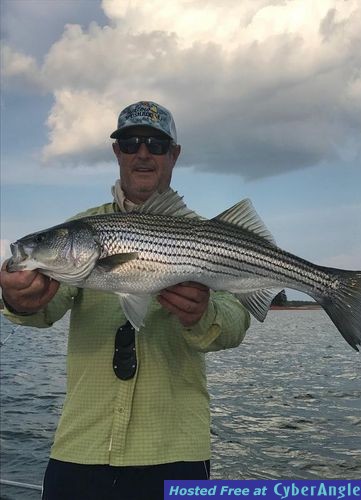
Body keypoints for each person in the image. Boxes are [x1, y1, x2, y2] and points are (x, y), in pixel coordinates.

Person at [0, 101, 250, 500]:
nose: (143, 153)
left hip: (175, 448)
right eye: (131, 142)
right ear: (117, 152)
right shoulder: (81, 230)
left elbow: (235, 324)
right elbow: (45, 305)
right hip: (81, 446)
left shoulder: (210, 236)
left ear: (174, 154)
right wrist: (19, 299)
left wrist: (203, 314)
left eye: (156, 143)